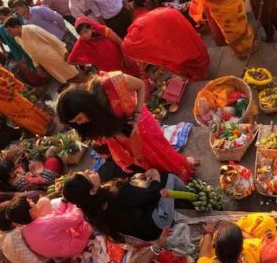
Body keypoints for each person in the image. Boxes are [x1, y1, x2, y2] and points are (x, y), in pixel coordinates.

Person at [57, 71, 198, 181]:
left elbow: (140, 86)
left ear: (86, 105)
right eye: (75, 123)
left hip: (140, 124)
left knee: (160, 151)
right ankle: (169, 178)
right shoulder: (90, 119)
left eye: (79, 118)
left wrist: (136, 116)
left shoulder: (112, 82)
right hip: (123, 136)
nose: (80, 123)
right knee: (147, 162)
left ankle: (182, 168)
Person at [61, 169, 182, 242]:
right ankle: (193, 194)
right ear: (92, 191)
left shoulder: (92, 211)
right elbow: (151, 195)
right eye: (87, 175)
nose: (89, 171)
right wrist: (156, 177)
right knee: (167, 177)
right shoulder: (116, 195)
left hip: (145, 234)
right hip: (159, 225)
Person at [121, 8, 210, 81]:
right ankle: (201, 66)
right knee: (188, 45)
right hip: (169, 16)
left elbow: (155, 53)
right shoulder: (139, 24)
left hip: (168, 20)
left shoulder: (132, 42)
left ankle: (199, 73)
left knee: (182, 55)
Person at [0, 200, 66, 263]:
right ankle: (58, 257)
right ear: (14, 223)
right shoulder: (15, 237)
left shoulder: (1, 231)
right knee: (46, 210)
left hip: (31, 254)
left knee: (43, 202)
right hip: (42, 256)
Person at [1, 195, 92, 259]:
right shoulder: (47, 222)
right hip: (77, 245)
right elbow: (76, 219)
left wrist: (64, 203)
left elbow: (56, 219)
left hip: (62, 252)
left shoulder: (25, 230)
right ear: (31, 212)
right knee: (78, 207)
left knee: (65, 207)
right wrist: (74, 203)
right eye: (30, 202)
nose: (33, 201)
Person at [4, 17, 85, 84]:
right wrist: (37, 66)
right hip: (47, 64)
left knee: (74, 73)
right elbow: (30, 52)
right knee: (67, 79)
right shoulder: (17, 38)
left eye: (9, 31)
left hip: (56, 56)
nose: (8, 34)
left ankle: (88, 85)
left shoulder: (32, 29)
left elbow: (51, 38)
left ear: (17, 27)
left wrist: (64, 51)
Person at [189, 0, 256, 58]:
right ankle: (244, 49)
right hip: (224, 5)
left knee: (238, 26)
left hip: (229, 1)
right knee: (233, 29)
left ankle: (246, 49)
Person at [68, 17, 139, 76]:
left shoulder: (102, 30)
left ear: (91, 28)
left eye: (86, 31)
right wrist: (91, 61)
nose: (84, 36)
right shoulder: (81, 43)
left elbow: (119, 42)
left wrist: (126, 56)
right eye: (81, 34)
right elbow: (71, 61)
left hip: (121, 59)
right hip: (110, 69)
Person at [12, 0, 76, 50]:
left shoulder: (38, 10)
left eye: (17, 9)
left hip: (61, 37)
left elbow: (58, 17)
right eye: (14, 11)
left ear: (24, 6)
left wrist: (64, 29)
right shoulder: (25, 23)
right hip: (53, 46)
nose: (16, 13)